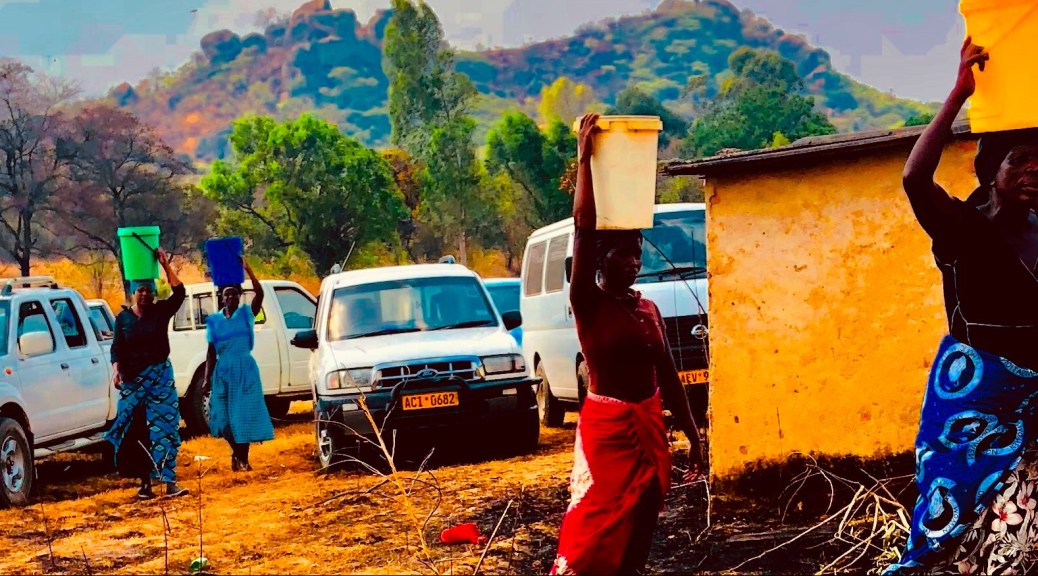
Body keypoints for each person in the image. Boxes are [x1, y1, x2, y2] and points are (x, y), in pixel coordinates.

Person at [884, 38, 1038, 574]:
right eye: (1019, 159)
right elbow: (914, 179)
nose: (1033, 170)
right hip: (974, 403)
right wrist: (958, 95)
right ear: (991, 168)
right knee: (951, 518)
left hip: (1032, 406)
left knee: (1023, 525)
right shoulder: (962, 228)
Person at [550, 113, 705, 576]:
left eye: (637, 254)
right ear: (601, 260)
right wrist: (585, 160)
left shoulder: (647, 309)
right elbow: (583, 227)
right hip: (607, 430)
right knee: (595, 523)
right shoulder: (587, 302)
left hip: (649, 423)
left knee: (647, 506)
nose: (634, 262)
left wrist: (693, 435)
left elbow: (670, 377)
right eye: (624, 254)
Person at [105, 248, 189, 500]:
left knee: (165, 428)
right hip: (134, 383)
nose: (145, 295)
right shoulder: (123, 319)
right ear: (133, 292)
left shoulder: (160, 312)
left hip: (160, 380)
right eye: (140, 290)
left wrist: (165, 265)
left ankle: (169, 482)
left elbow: (180, 293)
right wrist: (117, 370)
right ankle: (145, 484)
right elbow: (117, 348)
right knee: (138, 431)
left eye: (149, 291)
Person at [204, 258, 274, 471]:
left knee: (242, 415)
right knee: (223, 418)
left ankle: (243, 460)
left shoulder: (246, 314)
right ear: (221, 298)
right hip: (223, 372)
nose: (231, 297)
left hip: (245, 370)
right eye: (227, 294)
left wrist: (248, 269)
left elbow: (260, 293)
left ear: (239, 295)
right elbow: (211, 351)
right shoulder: (214, 321)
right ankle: (237, 454)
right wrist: (207, 378)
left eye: (234, 294)